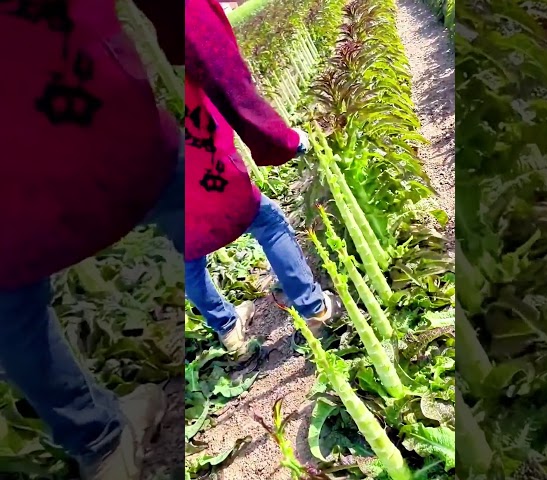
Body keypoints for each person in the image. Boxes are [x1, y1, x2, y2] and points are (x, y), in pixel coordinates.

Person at [0, 0, 185, 478]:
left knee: (9, 305)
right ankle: (258, 302)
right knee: (177, 190)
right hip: (94, 110)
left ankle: (102, 446)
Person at [184, 0, 343, 359]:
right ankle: (315, 309)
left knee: (183, 252)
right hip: (194, 160)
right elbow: (222, 72)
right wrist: (281, 141)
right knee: (265, 219)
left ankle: (230, 335)